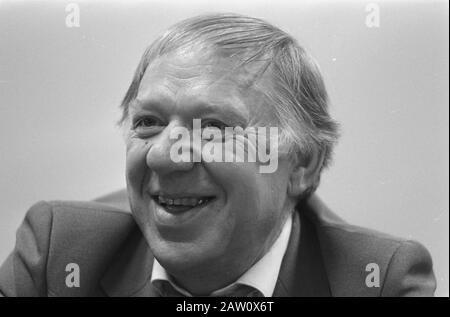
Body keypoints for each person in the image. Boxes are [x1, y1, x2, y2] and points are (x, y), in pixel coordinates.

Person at [0, 13, 436, 297]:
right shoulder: (58, 256)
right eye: (148, 122)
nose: (164, 158)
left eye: (215, 128)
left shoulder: (378, 282)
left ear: (302, 164)